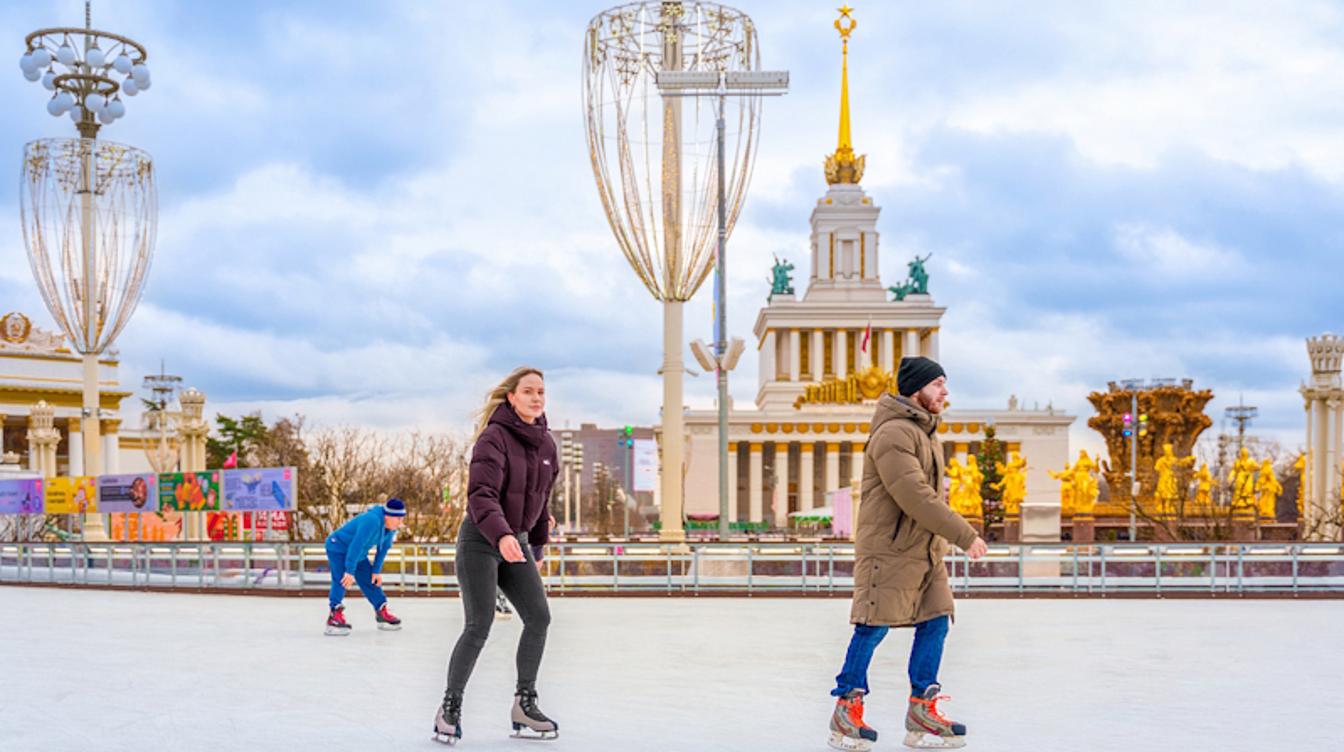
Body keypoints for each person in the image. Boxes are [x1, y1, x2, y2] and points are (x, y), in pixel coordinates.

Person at [828, 357, 989, 751]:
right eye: (937, 384)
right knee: (873, 625)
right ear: (915, 389)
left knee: (936, 620)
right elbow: (915, 495)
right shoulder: (894, 434)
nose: (945, 392)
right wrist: (964, 535)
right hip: (891, 549)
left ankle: (922, 709)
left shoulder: (925, 433)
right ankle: (846, 709)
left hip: (925, 551)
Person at [434, 367, 560, 745]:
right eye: (528, 391)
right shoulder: (494, 437)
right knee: (480, 623)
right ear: (511, 397)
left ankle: (524, 703)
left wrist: (534, 545)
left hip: (515, 541)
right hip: (480, 539)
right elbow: (481, 494)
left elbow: (540, 502)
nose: (536, 398)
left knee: (539, 617)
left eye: (541, 392)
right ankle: (449, 708)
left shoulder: (547, 444)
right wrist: (502, 533)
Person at [323, 497, 406, 636]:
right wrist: (349, 571)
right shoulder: (371, 520)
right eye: (399, 519)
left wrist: (376, 571)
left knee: (370, 580)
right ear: (388, 516)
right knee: (342, 579)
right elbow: (357, 544)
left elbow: (383, 549)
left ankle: (381, 611)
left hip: (358, 553)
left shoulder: (390, 529)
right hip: (338, 546)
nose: (401, 522)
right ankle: (334, 615)